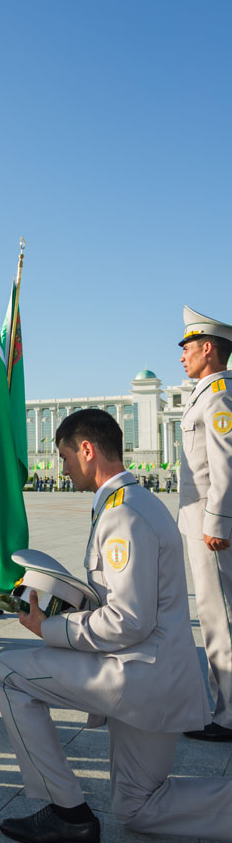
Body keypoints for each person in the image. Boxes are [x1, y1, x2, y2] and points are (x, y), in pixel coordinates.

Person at [0, 408, 232, 843]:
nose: (61, 468)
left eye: (64, 457)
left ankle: (67, 813)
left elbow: (128, 620)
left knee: (6, 672)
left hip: (137, 674)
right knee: (140, 807)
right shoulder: (132, 502)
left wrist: (50, 627)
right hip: (157, 676)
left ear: (87, 450)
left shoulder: (124, 514)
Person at [177, 306, 232, 742]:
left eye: (188, 348)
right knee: (214, 614)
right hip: (199, 519)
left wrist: (217, 523)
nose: (182, 357)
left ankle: (229, 716)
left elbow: (225, 466)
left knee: (220, 616)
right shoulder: (204, 392)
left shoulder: (218, 395)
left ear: (208, 348)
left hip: (211, 525)